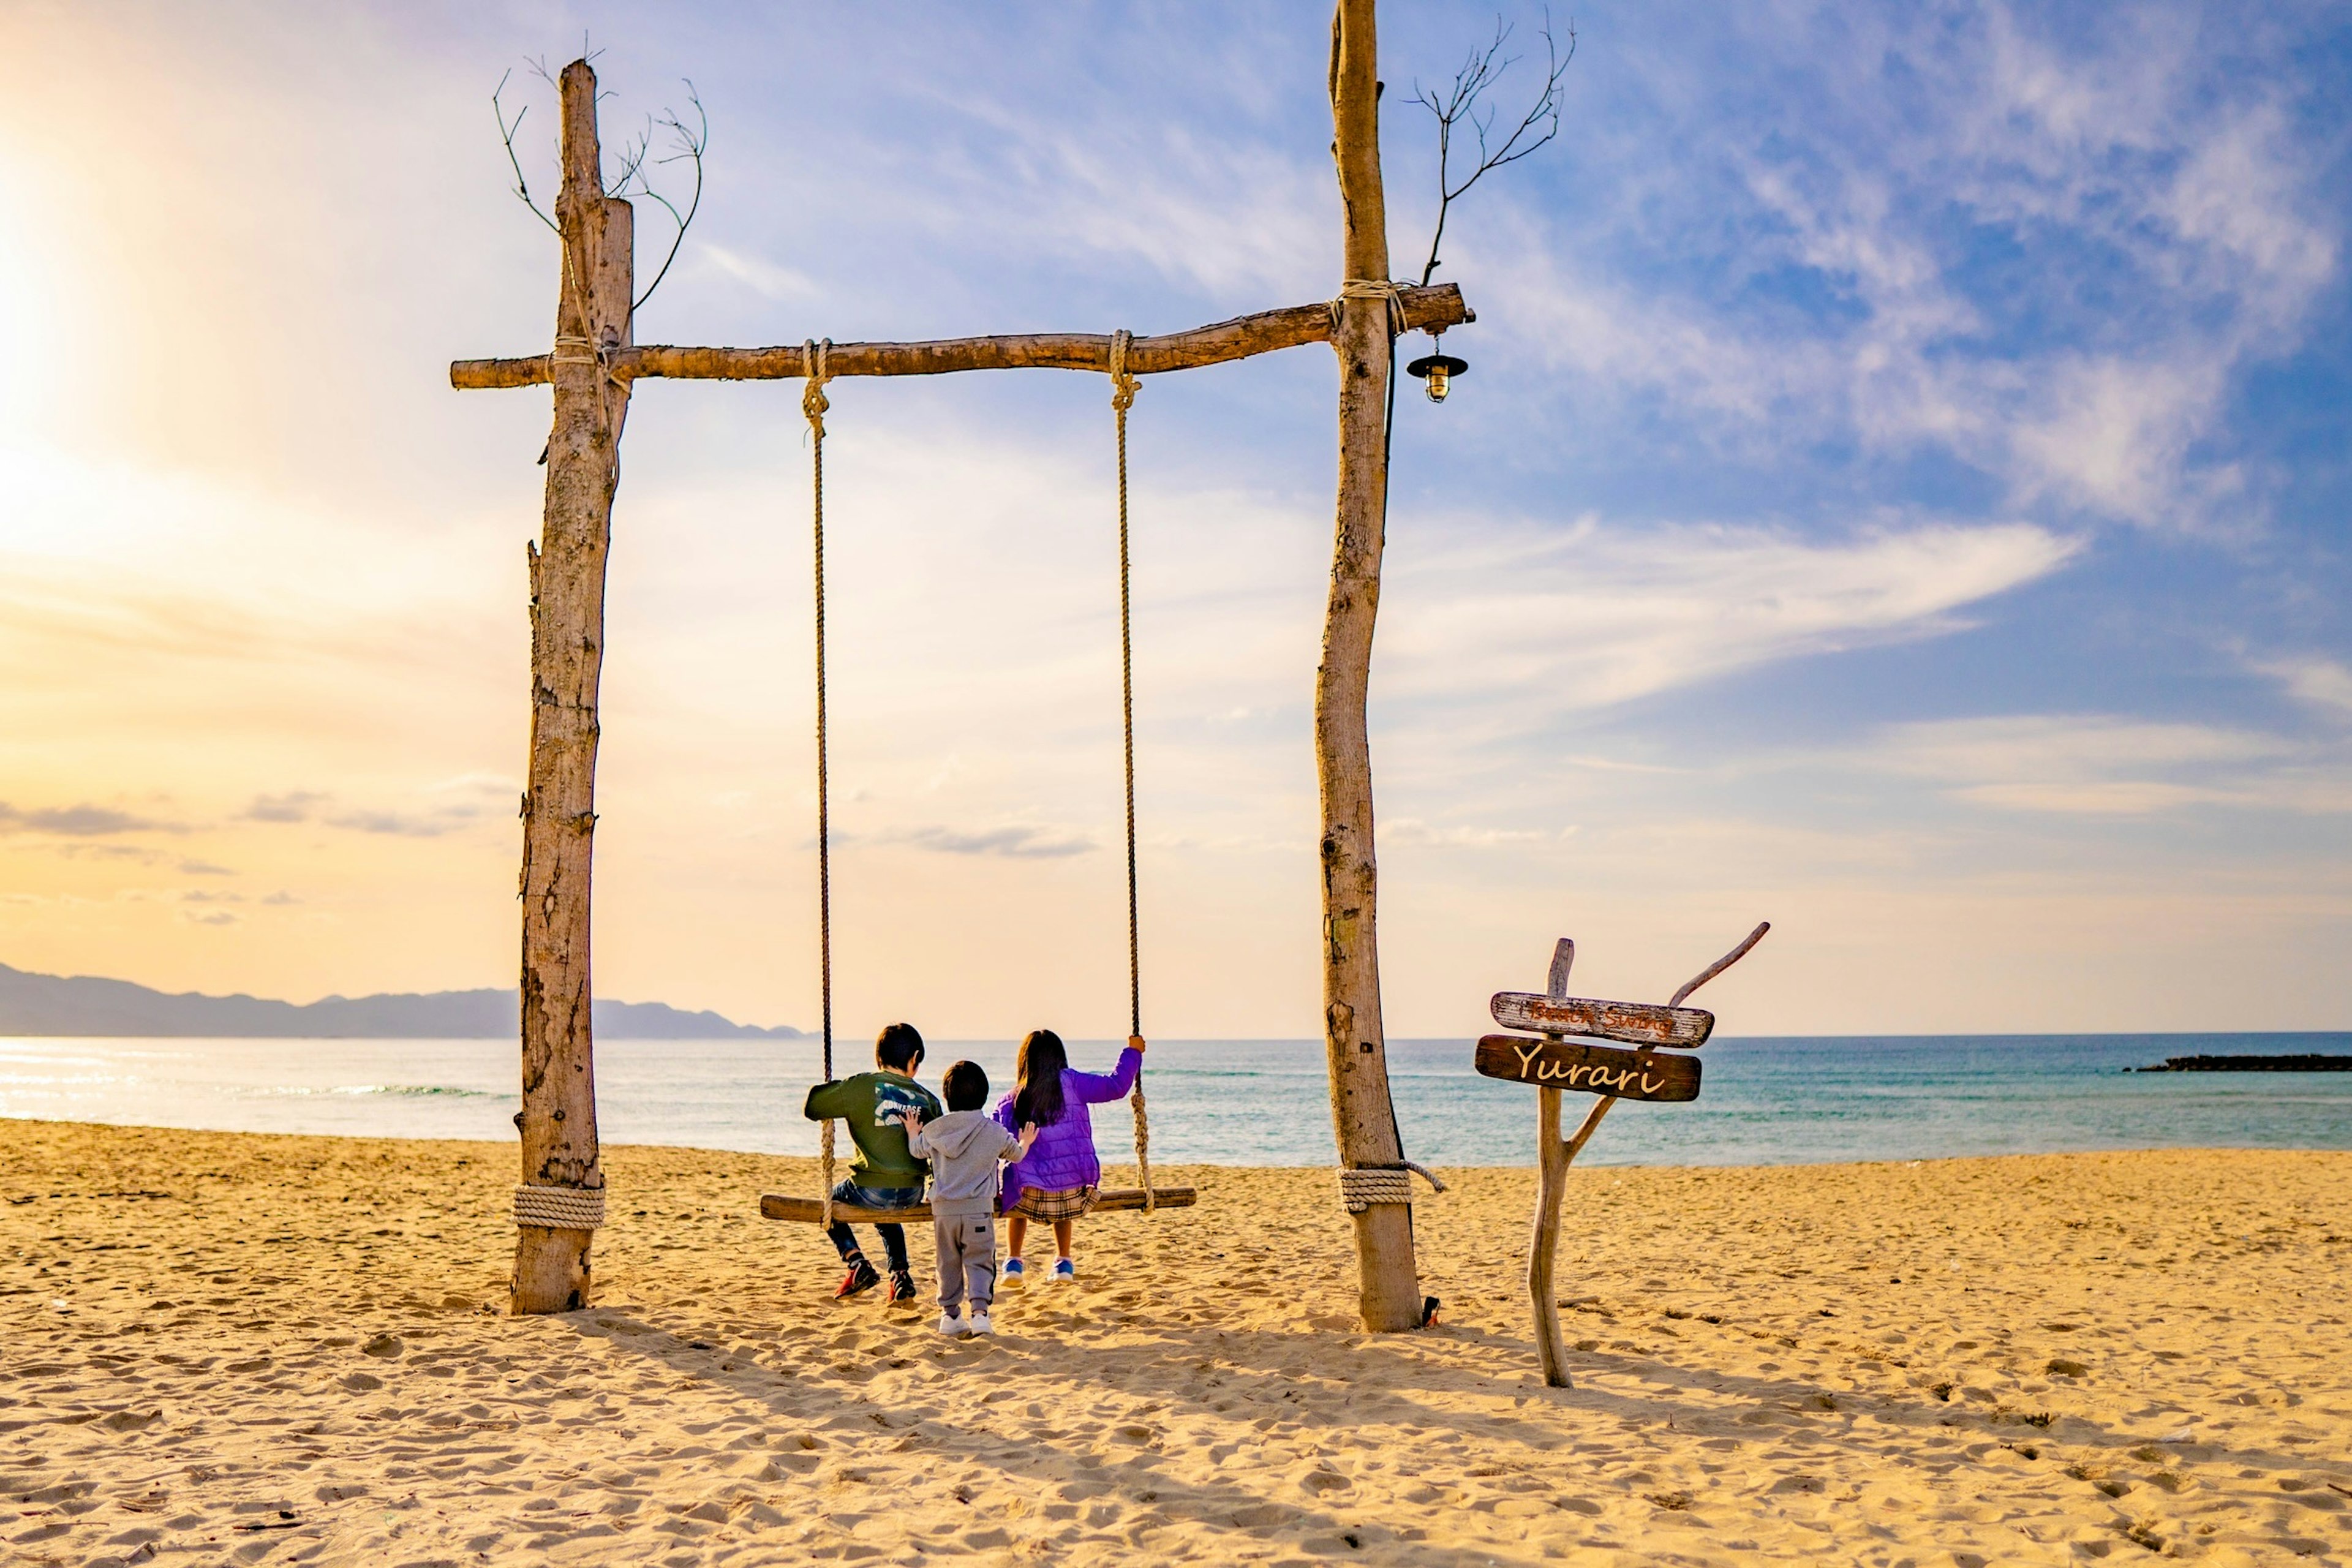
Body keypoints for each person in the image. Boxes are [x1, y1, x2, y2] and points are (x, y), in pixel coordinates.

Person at [804, 1022, 941, 1303]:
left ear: (878, 1057)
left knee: (831, 1200)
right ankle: (900, 1275)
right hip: (912, 1193)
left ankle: (856, 1262)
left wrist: (837, 1091)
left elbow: (813, 1107)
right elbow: (941, 1149)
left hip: (869, 1190)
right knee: (888, 1212)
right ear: (914, 1058)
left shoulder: (862, 1086)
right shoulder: (930, 1099)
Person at [993, 1029, 1142, 1285]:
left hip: (1027, 1200)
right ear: (1060, 1057)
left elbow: (998, 1146)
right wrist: (1133, 1053)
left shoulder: (1011, 1099)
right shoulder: (1074, 1083)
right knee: (1062, 1182)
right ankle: (1064, 1262)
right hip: (1074, 1197)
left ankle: (1013, 1262)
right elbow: (1117, 1086)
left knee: (1016, 1178)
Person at [902, 1061, 1036, 1336]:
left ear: (947, 1098)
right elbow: (1016, 1155)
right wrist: (1026, 1141)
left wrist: (912, 1131)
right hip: (978, 1212)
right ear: (984, 1095)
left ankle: (950, 1316)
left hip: (944, 1214)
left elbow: (916, 1151)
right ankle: (980, 1315)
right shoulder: (994, 1132)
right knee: (979, 1261)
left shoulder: (935, 1131)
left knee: (947, 1262)